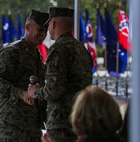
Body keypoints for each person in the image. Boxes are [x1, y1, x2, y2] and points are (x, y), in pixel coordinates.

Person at [28, 7, 93, 142]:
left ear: (54, 24)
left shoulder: (58, 49)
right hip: (80, 118)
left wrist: (35, 92)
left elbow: (53, 90)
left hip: (61, 123)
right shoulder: (82, 49)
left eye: (48, 25)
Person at [0, 10, 49, 142]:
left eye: (45, 31)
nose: (43, 34)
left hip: (32, 124)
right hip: (11, 125)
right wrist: (21, 93)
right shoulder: (11, 52)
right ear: (27, 27)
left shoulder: (36, 54)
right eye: (40, 29)